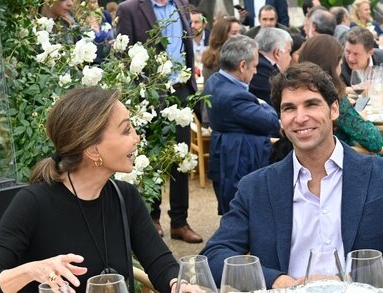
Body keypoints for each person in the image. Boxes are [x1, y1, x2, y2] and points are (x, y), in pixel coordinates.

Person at [201, 62, 383, 290]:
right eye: (289, 108)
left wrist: (349, 280)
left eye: (311, 104)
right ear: (281, 121)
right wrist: (277, 281)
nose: (300, 117)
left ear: (334, 109)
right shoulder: (256, 187)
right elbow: (215, 255)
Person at [0, 88, 183, 293]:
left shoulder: (124, 196)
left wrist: (179, 285)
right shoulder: (33, 203)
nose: (136, 138)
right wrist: (32, 270)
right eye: (126, 130)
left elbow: (161, 264)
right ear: (92, 150)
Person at [117, 0, 203, 243]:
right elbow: (123, 56)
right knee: (151, 158)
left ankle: (179, 221)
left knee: (181, 158)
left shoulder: (182, 4)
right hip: (150, 94)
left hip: (181, 89)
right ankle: (152, 218)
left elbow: (186, 47)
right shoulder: (130, 9)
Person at [298, 35, 383, 176]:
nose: (342, 64)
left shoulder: (295, 91)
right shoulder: (332, 98)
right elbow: (374, 141)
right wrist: (361, 118)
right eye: (340, 61)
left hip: (309, 158)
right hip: (345, 162)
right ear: (332, 65)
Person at [205, 35, 280, 215]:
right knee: (244, 212)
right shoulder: (235, 97)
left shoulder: (215, 80)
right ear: (242, 66)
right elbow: (271, 120)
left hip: (226, 154)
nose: (255, 72)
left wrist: (258, 103)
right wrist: (260, 102)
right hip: (238, 160)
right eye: (254, 66)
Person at [250, 27, 293, 105]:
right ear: (277, 53)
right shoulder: (265, 71)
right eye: (289, 52)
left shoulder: (258, 63)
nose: (290, 58)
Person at [202, 16, 243, 86]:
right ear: (222, 36)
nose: (239, 36)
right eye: (234, 33)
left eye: (240, 32)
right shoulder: (214, 59)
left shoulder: (241, 54)